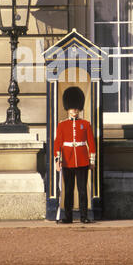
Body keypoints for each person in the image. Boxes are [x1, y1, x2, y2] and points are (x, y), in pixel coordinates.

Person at [54, 86, 96, 224]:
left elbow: (91, 143)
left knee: (82, 190)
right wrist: (57, 160)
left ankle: (84, 216)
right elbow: (58, 143)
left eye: (76, 108)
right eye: (72, 108)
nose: (74, 111)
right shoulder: (62, 125)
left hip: (82, 160)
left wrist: (92, 160)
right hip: (67, 160)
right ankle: (68, 216)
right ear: (68, 108)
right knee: (69, 190)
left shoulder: (85, 124)